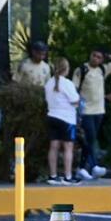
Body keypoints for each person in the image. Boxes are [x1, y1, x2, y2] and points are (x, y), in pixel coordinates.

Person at [73, 46, 111, 179]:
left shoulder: (103, 69)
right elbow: (74, 88)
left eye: (99, 57)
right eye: (94, 55)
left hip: (99, 110)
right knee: (89, 138)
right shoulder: (82, 69)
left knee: (91, 140)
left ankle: (84, 168)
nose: (95, 59)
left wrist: (109, 56)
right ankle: (92, 167)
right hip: (86, 111)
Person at [44, 57, 81, 185]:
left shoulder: (49, 83)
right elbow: (75, 100)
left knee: (53, 146)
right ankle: (68, 176)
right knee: (68, 147)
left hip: (52, 116)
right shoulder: (67, 83)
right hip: (66, 119)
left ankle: (53, 176)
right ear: (66, 69)